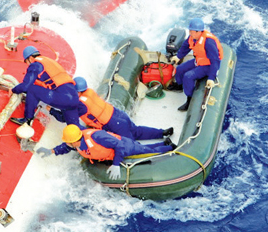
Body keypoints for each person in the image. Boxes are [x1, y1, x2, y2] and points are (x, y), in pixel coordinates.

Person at [50, 77, 174, 141]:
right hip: (118, 114)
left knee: (130, 146)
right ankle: (162, 132)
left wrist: (51, 109)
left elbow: (65, 117)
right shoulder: (89, 92)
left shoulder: (80, 104)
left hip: (113, 124)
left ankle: (163, 145)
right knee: (136, 131)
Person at [35, 125, 174, 180]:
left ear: (74, 140)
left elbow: (119, 145)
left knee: (146, 152)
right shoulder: (75, 143)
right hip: (109, 153)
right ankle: (164, 143)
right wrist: (51, 151)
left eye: (68, 141)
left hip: (123, 146)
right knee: (145, 149)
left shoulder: (97, 137)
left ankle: (170, 149)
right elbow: (65, 147)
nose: (67, 143)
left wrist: (116, 164)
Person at [10, 46, 81, 126]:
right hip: (74, 98)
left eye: (26, 61)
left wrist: (13, 90)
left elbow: (26, 86)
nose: (27, 64)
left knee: (32, 90)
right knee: (75, 128)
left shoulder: (36, 64)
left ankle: (27, 120)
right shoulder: (48, 61)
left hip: (63, 98)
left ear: (30, 58)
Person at [167, 18, 223, 111]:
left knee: (188, 76)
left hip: (207, 65)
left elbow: (215, 60)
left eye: (191, 31)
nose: (190, 33)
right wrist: (178, 57)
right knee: (180, 68)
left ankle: (190, 100)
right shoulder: (192, 37)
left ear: (198, 32)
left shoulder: (208, 42)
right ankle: (179, 85)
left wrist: (211, 78)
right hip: (199, 61)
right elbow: (185, 47)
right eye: (190, 30)